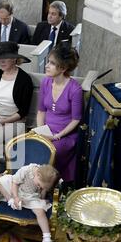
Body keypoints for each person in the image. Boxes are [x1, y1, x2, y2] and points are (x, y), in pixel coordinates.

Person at [36, 44, 82, 184]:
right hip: (46, 130)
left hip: (65, 135)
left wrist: (57, 136)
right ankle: (28, 183)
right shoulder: (45, 82)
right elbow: (41, 111)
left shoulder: (75, 89)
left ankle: (47, 187)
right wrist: (40, 131)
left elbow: (76, 119)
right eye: (48, 61)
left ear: (63, 68)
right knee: (27, 145)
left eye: (52, 63)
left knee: (50, 152)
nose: (47, 66)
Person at [0, 164, 60, 242]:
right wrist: (15, 197)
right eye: (38, 184)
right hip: (17, 190)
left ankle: (46, 238)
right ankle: (10, 201)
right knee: (1, 181)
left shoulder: (44, 179)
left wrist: (42, 199)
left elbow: (41, 193)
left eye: (41, 187)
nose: (39, 187)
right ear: (38, 174)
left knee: (40, 211)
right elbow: (15, 183)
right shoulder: (26, 171)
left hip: (31, 196)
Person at [0, 41, 33, 153]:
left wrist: (3, 121)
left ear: (14, 59)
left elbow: (23, 111)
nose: (1, 61)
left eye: (5, 58)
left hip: (14, 120)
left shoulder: (24, 79)